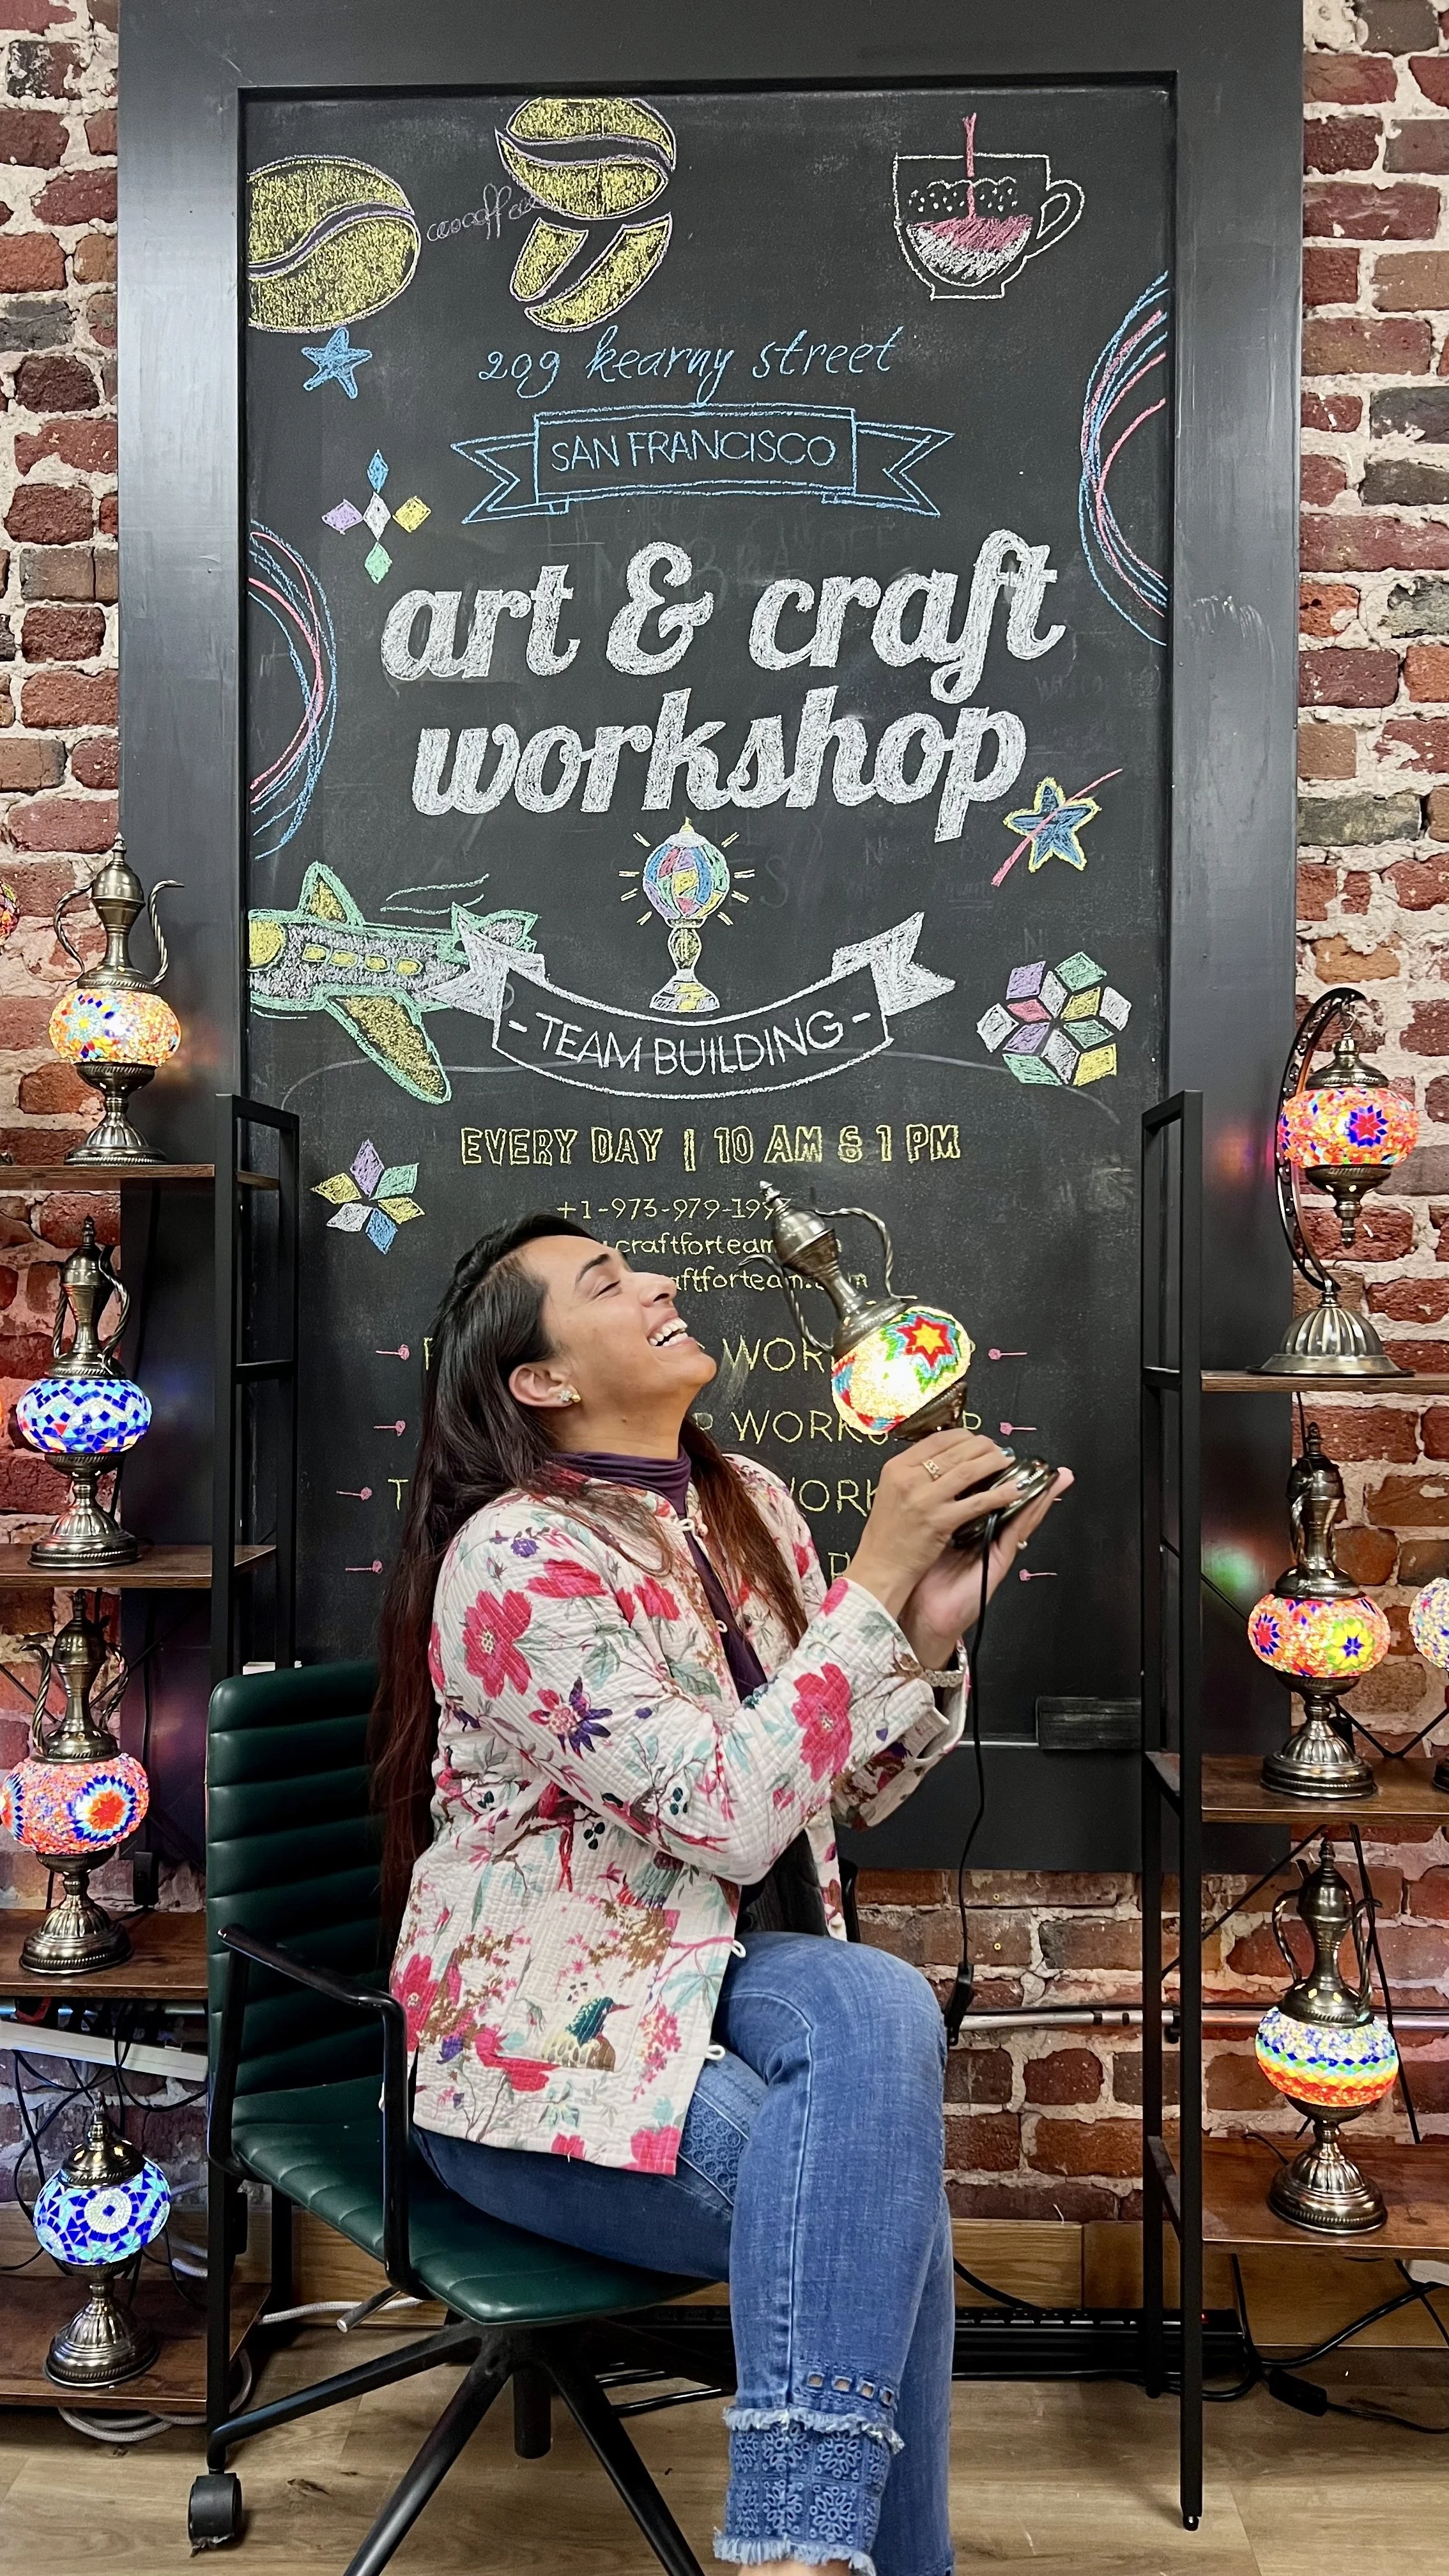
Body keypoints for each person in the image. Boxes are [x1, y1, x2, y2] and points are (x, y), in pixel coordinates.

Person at [374, 1215, 1070, 2576]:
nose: (661, 1282)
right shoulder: (517, 1562)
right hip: (540, 2053)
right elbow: (729, 1818)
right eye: (609, 1283)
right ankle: (810, 2554)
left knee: (871, 2004)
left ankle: (793, 2555)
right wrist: (872, 1590)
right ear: (541, 1380)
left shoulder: (744, 1497)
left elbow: (840, 1795)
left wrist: (922, 1634)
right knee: (876, 2199)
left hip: (712, 1988)